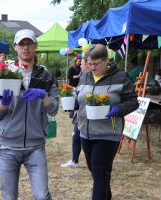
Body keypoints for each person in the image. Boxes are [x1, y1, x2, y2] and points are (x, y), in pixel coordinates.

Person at [0, 29, 59, 200]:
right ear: (15, 47)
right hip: (8, 147)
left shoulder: (46, 75)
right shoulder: (5, 73)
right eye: (22, 44)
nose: (26, 47)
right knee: (9, 197)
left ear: (35, 46)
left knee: (42, 196)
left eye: (29, 43)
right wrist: (4, 104)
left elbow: (54, 109)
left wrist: (43, 96)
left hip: (35, 146)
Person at [76, 44, 139, 200]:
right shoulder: (85, 76)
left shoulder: (121, 77)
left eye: (96, 64)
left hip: (108, 133)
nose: (92, 67)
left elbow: (133, 102)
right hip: (85, 131)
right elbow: (79, 97)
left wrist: (118, 109)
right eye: (89, 64)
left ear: (106, 60)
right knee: (98, 172)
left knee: (99, 171)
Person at [61, 54, 90, 168]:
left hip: (86, 113)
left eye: (82, 63)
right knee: (76, 136)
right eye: (80, 63)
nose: (81, 65)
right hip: (80, 112)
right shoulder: (82, 75)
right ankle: (74, 161)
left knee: (82, 138)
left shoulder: (90, 77)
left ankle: (89, 162)